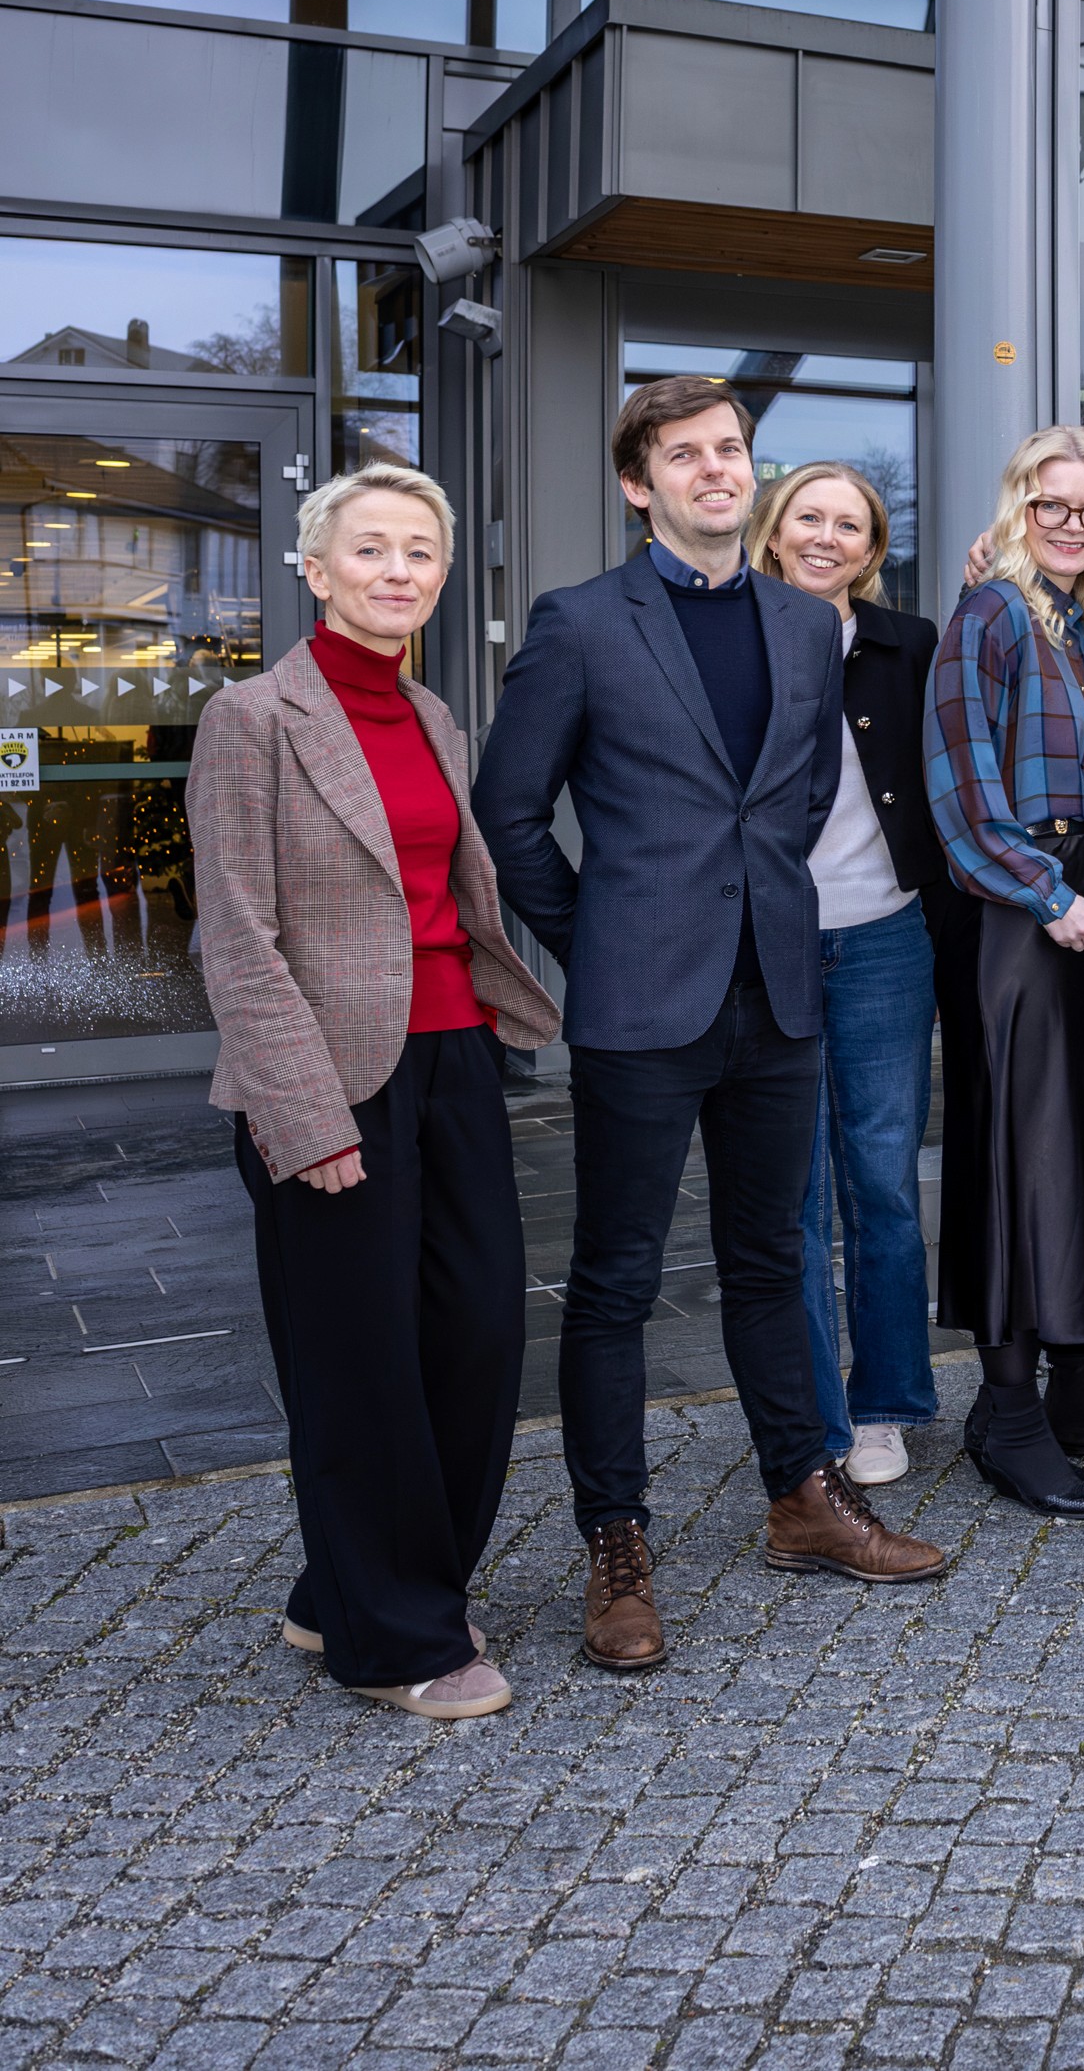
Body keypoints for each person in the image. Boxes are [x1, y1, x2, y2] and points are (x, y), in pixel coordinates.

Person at [477, 380, 947, 1674]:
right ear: (639, 484)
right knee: (618, 1284)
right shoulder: (579, 624)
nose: (714, 471)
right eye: (683, 455)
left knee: (768, 1260)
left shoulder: (806, 627)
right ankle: (614, 1541)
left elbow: (786, 802)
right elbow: (509, 817)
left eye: (729, 449)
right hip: (641, 1006)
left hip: (777, 992)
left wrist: (757, 914)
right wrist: (601, 941)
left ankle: (805, 1494)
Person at [194, 464, 559, 1719]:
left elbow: (450, 895)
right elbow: (236, 937)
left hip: (453, 1053)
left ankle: (353, 1579)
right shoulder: (254, 716)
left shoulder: (435, 713)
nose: (398, 569)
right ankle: (394, 1637)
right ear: (315, 566)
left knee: (475, 1337)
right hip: (329, 1073)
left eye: (420, 551)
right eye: (371, 549)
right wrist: (300, 1114)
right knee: (359, 1363)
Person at [926, 426, 1084, 1522]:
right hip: (1022, 910)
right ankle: (1011, 1412)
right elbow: (964, 792)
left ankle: (1073, 1381)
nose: (1073, 524)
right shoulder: (989, 615)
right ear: (1018, 509)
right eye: (1052, 504)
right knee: (1026, 1158)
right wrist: (1051, 896)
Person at [745, 461, 951, 1491]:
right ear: (775, 530)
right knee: (790, 1192)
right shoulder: (727, 635)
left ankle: (886, 1404)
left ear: (873, 551)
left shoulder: (907, 642)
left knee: (881, 1180)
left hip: (883, 939)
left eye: (851, 525)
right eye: (808, 518)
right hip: (767, 945)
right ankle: (812, 1418)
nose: (827, 537)